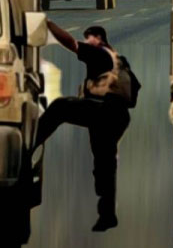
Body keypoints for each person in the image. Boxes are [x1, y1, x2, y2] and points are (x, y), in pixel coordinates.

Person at [34, 22, 131, 231]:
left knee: (60, 106)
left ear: (98, 38)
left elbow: (70, 43)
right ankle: (107, 215)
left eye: (89, 38)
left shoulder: (99, 52)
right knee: (105, 164)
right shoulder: (117, 59)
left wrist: (49, 25)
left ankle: (27, 147)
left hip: (104, 111)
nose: (87, 42)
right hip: (117, 115)